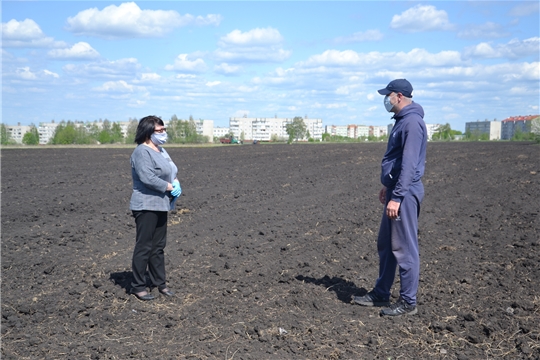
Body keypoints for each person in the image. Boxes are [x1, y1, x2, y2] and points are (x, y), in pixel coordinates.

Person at [352, 79, 427, 316]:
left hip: (405, 192)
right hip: (396, 190)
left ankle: (408, 302)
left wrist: (399, 196)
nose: (386, 99)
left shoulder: (412, 123)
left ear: (399, 96)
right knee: (386, 244)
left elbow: (409, 162)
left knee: (404, 248)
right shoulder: (402, 121)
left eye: (388, 95)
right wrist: (389, 186)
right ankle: (381, 293)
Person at [129, 115, 181, 301]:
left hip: (161, 204)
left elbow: (170, 171)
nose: (163, 133)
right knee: (144, 246)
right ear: (148, 132)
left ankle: (160, 283)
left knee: (158, 246)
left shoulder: (161, 150)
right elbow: (147, 178)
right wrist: (169, 187)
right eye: (159, 131)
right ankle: (138, 286)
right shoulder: (142, 152)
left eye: (164, 129)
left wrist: (175, 182)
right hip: (146, 205)